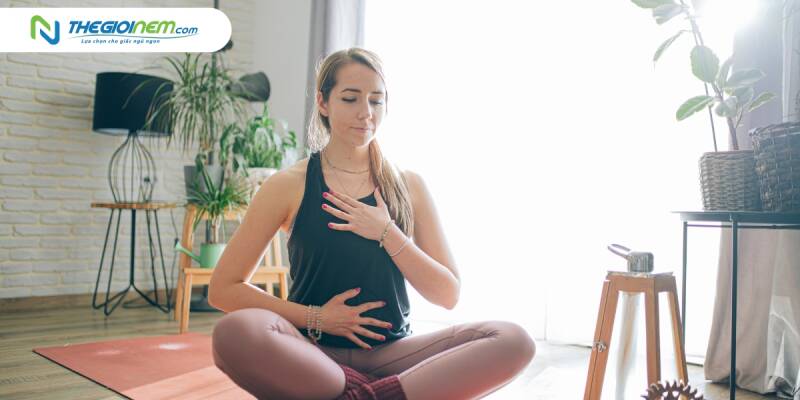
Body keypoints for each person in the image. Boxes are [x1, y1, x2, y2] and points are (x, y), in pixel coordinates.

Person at [208, 47, 535, 400]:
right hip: (312, 355)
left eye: (376, 101)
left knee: (513, 340)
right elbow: (223, 288)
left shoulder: (409, 186)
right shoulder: (289, 185)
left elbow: (447, 294)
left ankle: (361, 394)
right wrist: (317, 318)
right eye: (350, 99)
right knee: (233, 332)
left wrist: (386, 232)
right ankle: (381, 394)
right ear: (323, 102)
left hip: (393, 356)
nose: (366, 113)